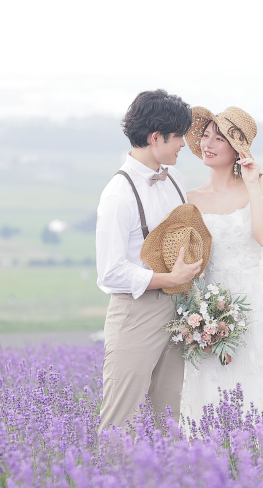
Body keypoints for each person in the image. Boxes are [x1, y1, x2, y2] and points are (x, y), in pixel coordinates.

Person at [179, 106, 263, 424]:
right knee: (211, 385)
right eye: (206, 136)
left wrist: (252, 184)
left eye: (219, 138)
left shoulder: (255, 188)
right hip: (208, 302)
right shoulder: (189, 197)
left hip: (253, 298)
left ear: (237, 149)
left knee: (259, 377)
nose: (208, 143)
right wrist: (201, 319)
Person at [96, 89, 203, 432]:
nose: (183, 145)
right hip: (136, 311)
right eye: (178, 137)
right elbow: (110, 272)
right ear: (155, 137)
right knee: (119, 418)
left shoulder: (175, 179)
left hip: (177, 309)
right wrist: (169, 279)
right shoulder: (118, 194)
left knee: (171, 417)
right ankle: (107, 484)